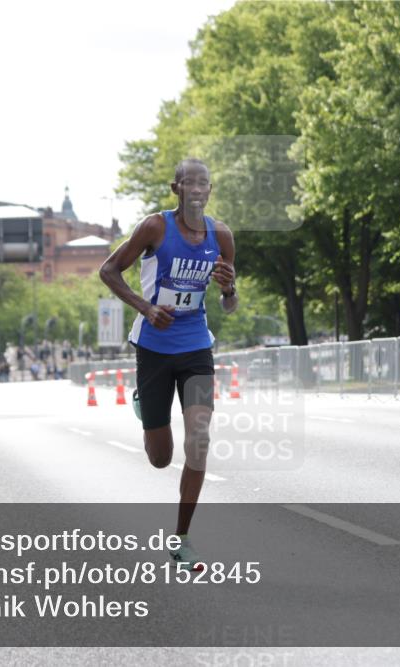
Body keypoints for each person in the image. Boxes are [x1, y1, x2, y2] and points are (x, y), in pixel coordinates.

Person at [99, 157, 237, 571]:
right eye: (189, 184)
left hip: (195, 344)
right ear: (176, 189)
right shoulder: (154, 227)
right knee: (161, 457)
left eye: (204, 184)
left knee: (199, 440)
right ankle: (147, 403)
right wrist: (146, 306)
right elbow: (109, 270)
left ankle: (180, 540)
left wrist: (229, 290)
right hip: (154, 347)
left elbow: (230, 304)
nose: (198, 190)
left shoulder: (222, 235)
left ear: (209, 191)